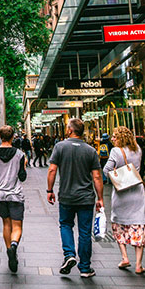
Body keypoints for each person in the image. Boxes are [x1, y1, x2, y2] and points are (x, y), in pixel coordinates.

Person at [47, 118, 103, 278]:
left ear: (71, 130)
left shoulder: (60, 147)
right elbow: (97, 176)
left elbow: (52, 170)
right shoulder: (90, 150)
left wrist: (49, 190)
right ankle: (85, 268)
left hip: (66, 196)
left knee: (65, 225)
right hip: (86, 197)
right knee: (85, 232)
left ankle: (69, 254)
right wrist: (100, 198)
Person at [103, 126, 145, 275]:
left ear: (120, 138)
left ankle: (124, 257)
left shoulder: (116, 151)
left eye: (114, 137)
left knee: (119, 225)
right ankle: (138, 264)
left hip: (121, 192)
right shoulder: (138, 149)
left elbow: (106, 170)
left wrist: (117, 174)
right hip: (137, 190)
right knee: (138, 225)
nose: (112, 139)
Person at [0, 125, 28, 272]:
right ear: (13, 137)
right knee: (17, 226)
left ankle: (8, 250)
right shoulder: (19, 154)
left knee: (6, 224)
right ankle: (14, 246)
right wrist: (23, 166)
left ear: (0, 137)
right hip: (15, 194)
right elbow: (22, 177)